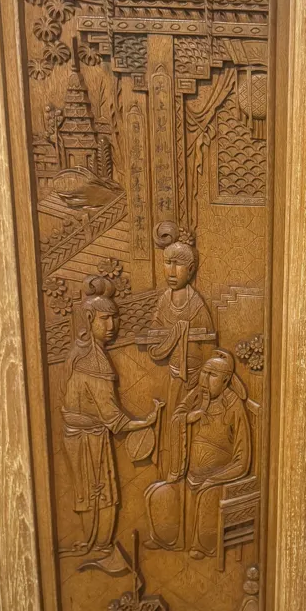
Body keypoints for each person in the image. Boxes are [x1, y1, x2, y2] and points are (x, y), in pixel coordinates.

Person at [62, 276, 162, 563]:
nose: (112, 326)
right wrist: (147, 421)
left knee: (86, 491)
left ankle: (93, 544)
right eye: (105, 319)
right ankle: (100, 546)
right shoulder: (94, 362)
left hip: (76, 434)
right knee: (100, 491)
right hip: (89, 439)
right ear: (89, 319)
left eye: (115, 319)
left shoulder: (76, 353)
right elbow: (113, 418)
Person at [149, 349, 251, 560]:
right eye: (204, 372)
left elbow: (242, 457)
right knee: (159, 492)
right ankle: (168, 539)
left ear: (225, 381)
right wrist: (188, 418)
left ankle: (202, 545)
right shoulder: (197, 395)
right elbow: (177, 417)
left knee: (206, 495)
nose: (204, 379)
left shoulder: (234, 405)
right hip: (188, 473)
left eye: (212, 375)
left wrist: (215, 477)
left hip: (217, 478)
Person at [146, 222, 215, 483]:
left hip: (195, 379)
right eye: (167, 263)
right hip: (174, 377)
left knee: (188, 423)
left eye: (179, 265)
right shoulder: (164, 300)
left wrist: (202, 380)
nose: (171, 272)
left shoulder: (196, 304)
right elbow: (154, 342)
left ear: (192, 269)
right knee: (170, 424)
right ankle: (170, 467)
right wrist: (174, 335)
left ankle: (185, 470)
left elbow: (210, 349)